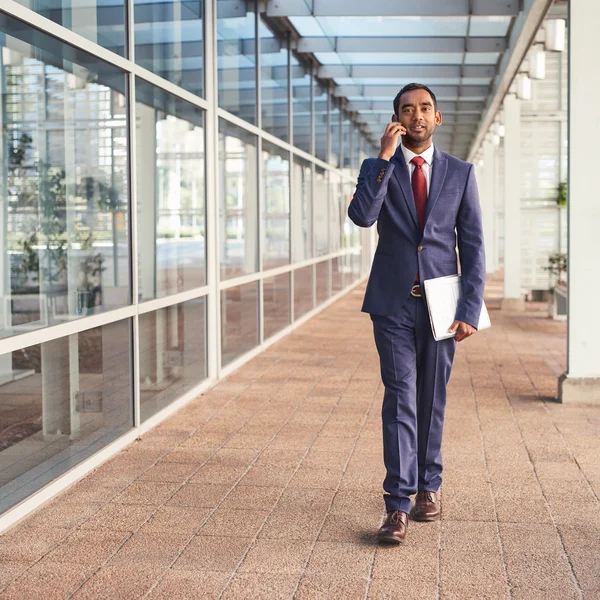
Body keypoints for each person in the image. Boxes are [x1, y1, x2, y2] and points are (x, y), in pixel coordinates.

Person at [348, 82, 485, 544]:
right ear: (397, 120)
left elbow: (473, 244)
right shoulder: (384, 169)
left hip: (442, 306)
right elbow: (363, 217)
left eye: (425, 108)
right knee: (401, 396)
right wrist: (382, 159)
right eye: (407, 110)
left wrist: (470, 307)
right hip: (392, 304)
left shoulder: (461, 173)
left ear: (438, 117)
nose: (417, 116)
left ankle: (430, 485)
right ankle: (397, 504)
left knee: (431, 397)